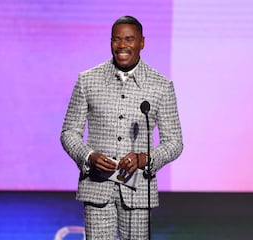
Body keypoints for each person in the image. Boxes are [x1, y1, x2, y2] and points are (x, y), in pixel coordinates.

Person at [60, 15, 183, 239]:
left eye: (129, 39)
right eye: (116, 39)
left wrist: (144, 158)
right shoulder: (87, 80)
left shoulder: (161, 86)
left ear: (142, 42)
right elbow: (69, 132)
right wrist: (88, 155)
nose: (122, 45)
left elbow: (174, 142)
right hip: (97, 188)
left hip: (138, 191)